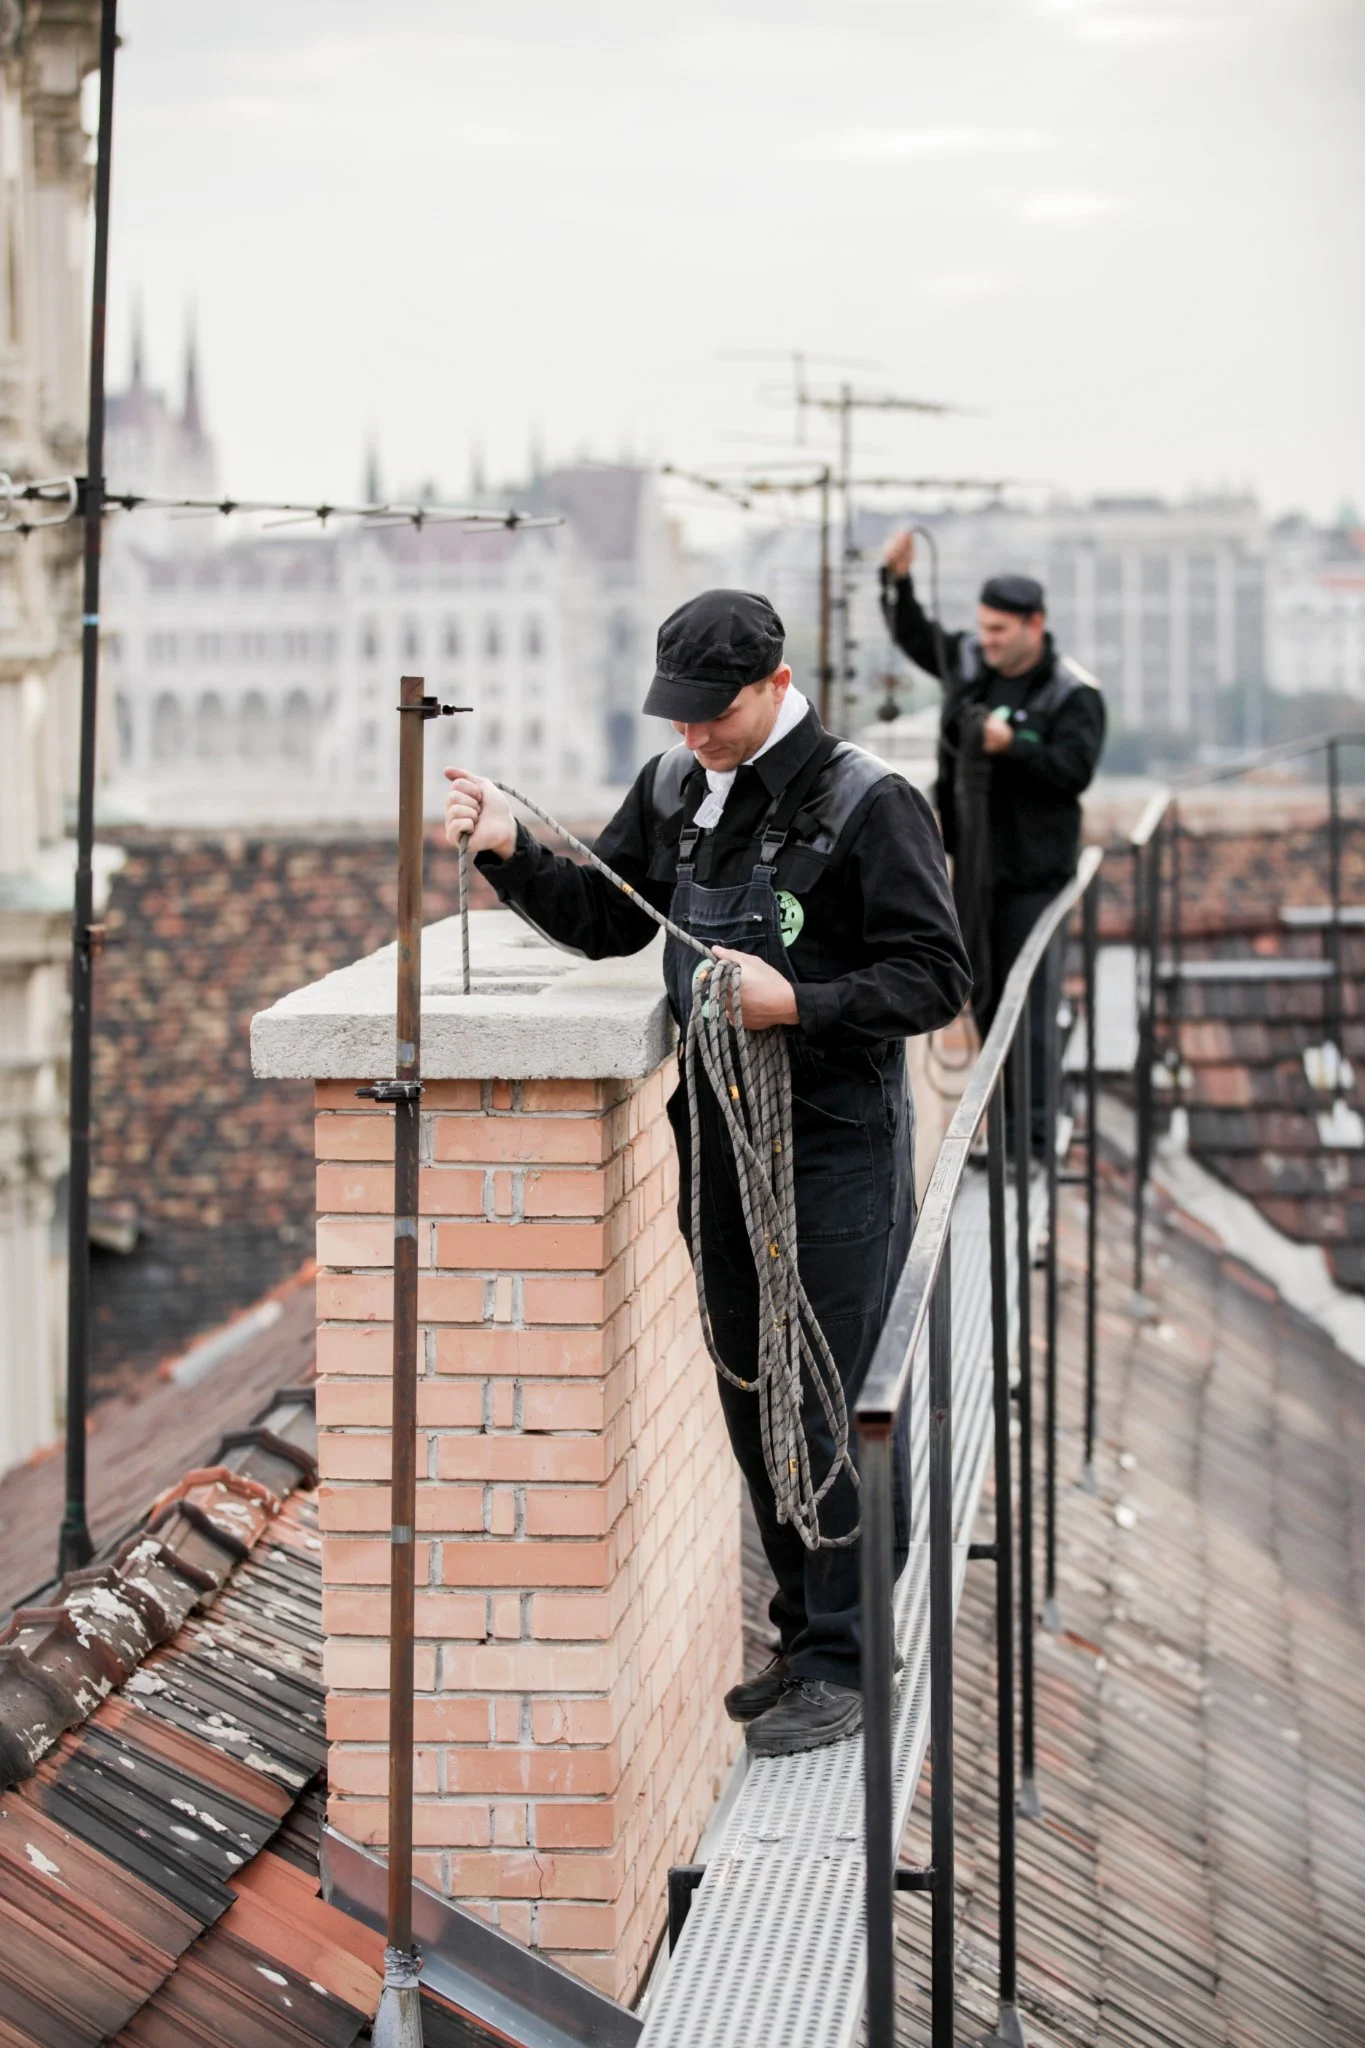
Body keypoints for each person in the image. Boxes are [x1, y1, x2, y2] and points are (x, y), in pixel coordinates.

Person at [445, 589, 970, 1757]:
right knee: (750, 1384)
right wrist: (507, 851)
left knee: (825, 1391)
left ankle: (850, 1658)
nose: (692, 735)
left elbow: (935, 975)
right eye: (678, 715)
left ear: (777, 684)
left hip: (833, 1140)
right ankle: (803, 1627)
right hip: (720, 1137)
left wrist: (808, 1003)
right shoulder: (678, 790)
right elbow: (606, 919)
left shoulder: (869, 802)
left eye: (712, 714)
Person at [879, 533, 1105, 1153]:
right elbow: (919, 637)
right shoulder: (972, 663)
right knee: (985, 998)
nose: (990, 640)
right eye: (984, 628)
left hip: (1035, 877)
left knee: (1026, 1007)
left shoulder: (1072, 694)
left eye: (1002, 630)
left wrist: (1017, 748)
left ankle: (1031, 1137)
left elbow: (1074, 769)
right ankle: (1006, 1125)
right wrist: (895, 583)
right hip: (974, 869)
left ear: (1036, 625)